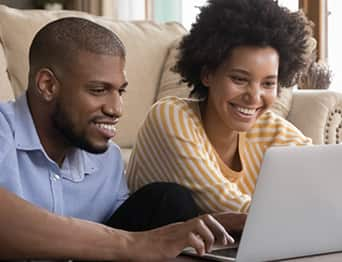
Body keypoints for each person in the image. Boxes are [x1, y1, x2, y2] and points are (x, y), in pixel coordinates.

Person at [0, 17, 244, 261]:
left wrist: (209, 227)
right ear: (48, 85)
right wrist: (131, 243)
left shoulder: (108, 158)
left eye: (120, 91)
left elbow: (129, 229)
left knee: (168, 200)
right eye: (98, 90)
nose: (116, 109)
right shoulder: (3, 128)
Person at [127, 0, 314, 214]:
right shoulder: (170, 116)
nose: (254, 97)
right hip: (151, 237)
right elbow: (220, 201)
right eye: (239, 79)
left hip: (225, 245)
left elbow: (324, 176)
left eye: (268, 83)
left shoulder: (271, 130)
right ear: (207, 74)